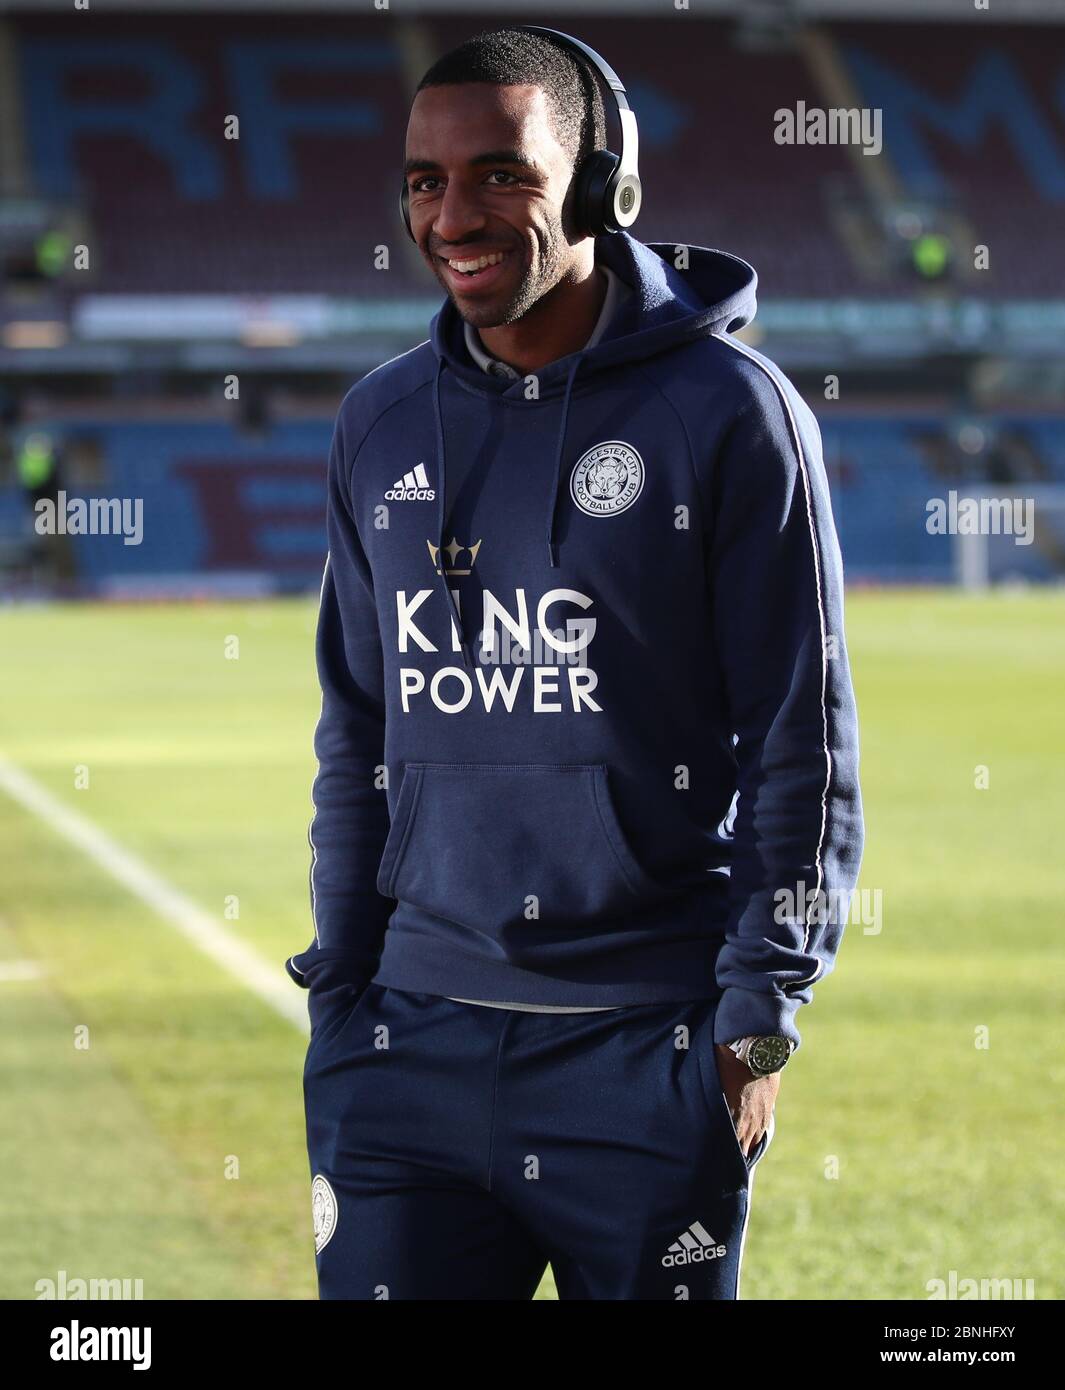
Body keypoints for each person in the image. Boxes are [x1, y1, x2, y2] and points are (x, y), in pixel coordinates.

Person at [286, 25, 864, 1301]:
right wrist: (342, 991)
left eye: (503, 174)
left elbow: (800, 743)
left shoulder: (733, 414)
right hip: (404, 1050)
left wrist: (757, 1016)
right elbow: (355, 733)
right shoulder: (376, 422)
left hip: (644, 1053)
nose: (455, 215)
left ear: (603, 185)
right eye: (426, 182)